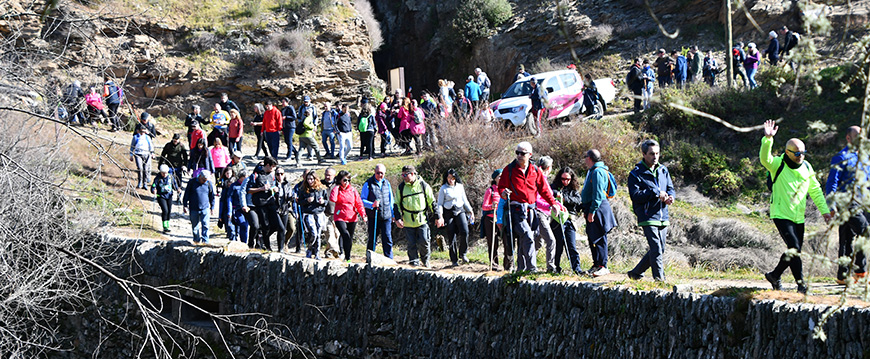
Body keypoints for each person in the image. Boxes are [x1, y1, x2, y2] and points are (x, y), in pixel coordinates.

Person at [760, 120, 831, 293]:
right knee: (794, 248)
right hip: (781, 213)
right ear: (787, 152)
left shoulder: (806, 166)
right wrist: (768, 139)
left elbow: (815, 190)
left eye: (803, 153)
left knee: (795, 251)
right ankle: (801, 286)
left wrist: (825, 212)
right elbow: (765, 159)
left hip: (798, 216)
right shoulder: (777, 164)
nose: (801, 156)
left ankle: (775, 276)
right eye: (797, 153)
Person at [497, 142, 564, 272]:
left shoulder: (535, 171)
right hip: (516, 210)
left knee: (526, 239)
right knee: (527, 235)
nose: (519, 156)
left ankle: (521, 268)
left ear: (530, 155)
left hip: (531, 210)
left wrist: (553, 204)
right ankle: (532, 268)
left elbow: (544, 190)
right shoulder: (509, 170)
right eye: (517, 153)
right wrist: (504, 193)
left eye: (522, 153)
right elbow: (501, 187)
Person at [825, 126, 869, 285]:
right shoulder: (840, 157)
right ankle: (861, 272)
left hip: (863, 203)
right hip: (846, 203)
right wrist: (831, 206)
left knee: (846, 238)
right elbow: (832, 183)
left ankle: (842, 276)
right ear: (849, 138)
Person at [626, 139, 675, 282]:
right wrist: (655, 193)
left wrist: (670, 197)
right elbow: (635, 196)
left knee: (660, 249)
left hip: (662, 215)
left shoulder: (663, 170)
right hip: (647, 216)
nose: (655, 157)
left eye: (657, 153)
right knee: (656, 248)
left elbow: (670, 188)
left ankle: (636, 272)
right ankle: (659, 280)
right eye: (652, 154)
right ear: (643, 154)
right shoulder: (635, 174)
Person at [580, 149, 618, 277]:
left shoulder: (597, 172)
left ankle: (603, 265)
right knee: (592, 237)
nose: (585, 159)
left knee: (599, 237)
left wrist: (592, 211)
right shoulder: (592, 171)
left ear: (589, 158)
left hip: (598, 208)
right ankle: (596, 264)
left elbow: (598, 194)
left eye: (585, 156)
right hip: (591, 207)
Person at [395, 165, 437, 268]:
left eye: (405, 175)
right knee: (411, 243)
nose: (403, 177)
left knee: (424, 241)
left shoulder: (423, 185)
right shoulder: (401, 188)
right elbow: (396, 204)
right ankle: (414, 261)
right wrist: (397, 218)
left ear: (413, 174)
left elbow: (432, 202)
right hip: (408, 221)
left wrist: (438, 216)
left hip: (422, 220)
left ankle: (425, 260)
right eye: (402, 175)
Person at [435, 168, 474, 266]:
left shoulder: (460, 187)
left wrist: (470, 211)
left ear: (455, 178)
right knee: (451, 235)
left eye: (452, 178)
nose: (451, 180)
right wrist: (440, 216)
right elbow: (439, 203)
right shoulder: (443, 188)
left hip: (460, 210)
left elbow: (464, 200)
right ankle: (454, 259)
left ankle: (463, 254)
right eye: (449, 178)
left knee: (465, 231)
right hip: (448, 212)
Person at [248, 156, 285, 251]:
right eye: (272, 167)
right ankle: (266, 246)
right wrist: (261, 189)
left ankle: (280, 248)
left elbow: (274, 186)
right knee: (265, 226)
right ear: (267, 165)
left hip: (271, 203)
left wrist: (275, 189)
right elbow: (249, 190)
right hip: (260, 204)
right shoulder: (255, 175)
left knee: (280, 226)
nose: (273, 169)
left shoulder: (272, 175)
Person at [550, 167, 583, 275]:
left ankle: (576, 268)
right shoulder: (554, 187)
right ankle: (555, 268)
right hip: (557, 220)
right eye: (563, 179)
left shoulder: (573, 189)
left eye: (568, 179)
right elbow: (549, 193)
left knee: (571, 245)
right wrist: (557, 196)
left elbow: (578, 201)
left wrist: (565, 199)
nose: (565, 181)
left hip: (570, 220)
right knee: (558, 245)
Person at [329, 170, 367, 262]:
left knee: (349, 237)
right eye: (345, 180)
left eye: (349, 180)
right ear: (340, 180)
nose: (347, 183)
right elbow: (332, 199)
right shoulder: (337, 189)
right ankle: (344, 254)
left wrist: (363, 215)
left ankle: (348, 257)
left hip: (352, 217)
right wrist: (336, 187)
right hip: (340, 216)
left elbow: (359, 203)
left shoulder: (353, 190)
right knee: (345, 235)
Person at [360, 164, 396, 258]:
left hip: (386, 216)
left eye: (382, 173)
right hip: (373, 216)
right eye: (378, 173)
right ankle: (370, 258)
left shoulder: (387, 183)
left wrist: (393, 214)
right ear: (374, 172)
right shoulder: (368, 183)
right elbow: (362, 200)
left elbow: (391, 199)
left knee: (387, 238)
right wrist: (372, 204)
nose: (380, 175)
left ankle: (389, 259)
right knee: (372, 238)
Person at [532, 156, 557, 272]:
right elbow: (536, 200)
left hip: (546, 214)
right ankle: (550, 267)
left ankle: (529, 264)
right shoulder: (539, 179)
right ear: (548, 167)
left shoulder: (544, 179)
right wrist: (550, 206)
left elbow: (548, 197)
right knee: (551, 240)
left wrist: (558, 205)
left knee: (538, 242)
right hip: (539, 213)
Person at [297, 170, 328, 259]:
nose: (310, 181)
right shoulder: (303, 189)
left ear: (315, 179)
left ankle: (317, 253)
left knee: (318, 234)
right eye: (308, 179)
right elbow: (299, 202)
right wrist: (307, 201)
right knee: (313, 233)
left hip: (319, 214)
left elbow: (326, 201)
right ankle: (309, 250)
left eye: (311, 179)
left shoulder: (321, 189)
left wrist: (323, 202)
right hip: (308, 214)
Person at [182, 170, 215, 244]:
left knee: (205, 225)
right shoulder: (192, 182)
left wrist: (212, 207)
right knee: (195, 226)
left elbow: (211, 196)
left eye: (206, 180)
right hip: (193, 208)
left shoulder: (209, 184)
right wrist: (185, 205)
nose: (204, 181)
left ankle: (205, 241)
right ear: (200, 176)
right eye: (203, 180)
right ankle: (196, 240)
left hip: (205, 208)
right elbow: (186, 194)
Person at [482, 169, 502, 270]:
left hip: (502, 219)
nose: (501, 178)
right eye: (499, 176)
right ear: (495, 178)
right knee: (493, 242)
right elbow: (484, 206)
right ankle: (494, 264)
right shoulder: (491, 190)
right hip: (490, 219)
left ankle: (508, 264)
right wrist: (492, 206)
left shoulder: (505, 190)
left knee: (506, 241)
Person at [159, 133, 188, 200]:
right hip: (169, 166)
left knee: (178, 181)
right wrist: (160, 164)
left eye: (177, 140)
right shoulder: (168, 145)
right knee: (169, 181)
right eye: (174, 140)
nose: (175, 141)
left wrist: (185, 165)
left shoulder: (181, 146)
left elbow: (185, 157)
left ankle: (179, 196)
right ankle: (169, 195)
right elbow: (163, 155)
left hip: (178, 166)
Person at [151, 164, 177, 233]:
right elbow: (154, 185)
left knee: (169, 211)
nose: (164, 174)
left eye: (165, 173)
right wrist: (153, 190)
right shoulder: (158, 178)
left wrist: (178, 189)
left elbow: (174, 185)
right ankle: (165, 226)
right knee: (165, 210)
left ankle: (167, 224)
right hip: (161, 196)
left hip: (169, 196)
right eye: (163, 173)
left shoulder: (170, 177)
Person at [321, 168, 341, 258]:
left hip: (337, 213)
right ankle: (334, 250)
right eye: (326, 174)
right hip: (324, 213)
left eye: (329, 175)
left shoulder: (338, 185)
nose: (327, 177)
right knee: (329, 232)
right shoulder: (321, 184)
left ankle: (329, 252)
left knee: (337, 233)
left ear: (334, 176)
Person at [228, 170, 251, 243]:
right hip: (237, 209)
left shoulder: (249, 185)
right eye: (246, 177)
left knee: (245, 226)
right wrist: (229, 211)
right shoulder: (234, 186)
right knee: (242, 224)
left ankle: (244, 242)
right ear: (241, 177)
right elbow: (229, 198)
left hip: (247, 208)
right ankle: (237, 240)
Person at [217, 167, 236, 239]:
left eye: (229, 173)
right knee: (225, 217)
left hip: (232, 201)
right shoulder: (222, 181)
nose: (228, 175)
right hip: (224, 199)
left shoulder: (234, 181)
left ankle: (232, 235)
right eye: (227, 173)